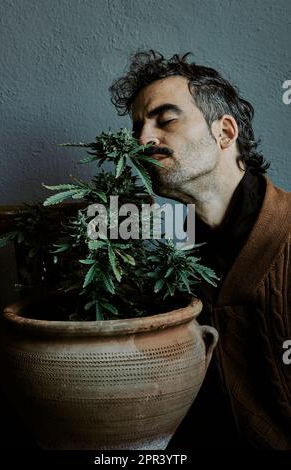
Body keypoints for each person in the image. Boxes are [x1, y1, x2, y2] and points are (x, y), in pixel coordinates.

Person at [109, 50, 291, 449]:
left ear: (225, 133)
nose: (142, 139)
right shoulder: (177, 263)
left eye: (166, 120)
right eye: (138, 126)